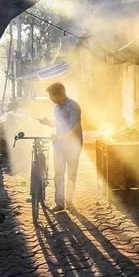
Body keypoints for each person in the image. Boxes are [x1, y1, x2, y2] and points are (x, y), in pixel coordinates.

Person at [39, 83, 82, 211]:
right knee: (58, 173)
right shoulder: (56, 108)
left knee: (71, 174)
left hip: (73, 145)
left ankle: (69, 200)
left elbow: (73, 126)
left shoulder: (73, 106)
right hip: (59, 145)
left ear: (59, 94)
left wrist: (60, 136)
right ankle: (59, 203)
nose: (50, 99)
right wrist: (48, 123)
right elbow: (59, 124)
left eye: (51, 96)